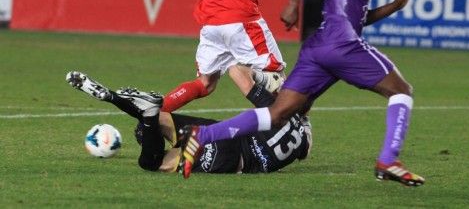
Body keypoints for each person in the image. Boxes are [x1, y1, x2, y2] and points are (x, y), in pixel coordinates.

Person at [179, 0, 425, 187]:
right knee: (401, 91)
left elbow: (359, 19)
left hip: (318, 50)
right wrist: (293, 3)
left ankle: (202, 136)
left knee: (277, 114)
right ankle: (389, 160)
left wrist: (395, 5)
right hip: (342, 45)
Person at [66, 71, 312, 174]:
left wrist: (259, 74)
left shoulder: (274, 108)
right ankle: (138, 108)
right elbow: (304, 149)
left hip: (222, 137)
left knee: (149, 142)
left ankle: (113, 97)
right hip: (228, 158)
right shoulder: (303, 139)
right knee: (149, 150)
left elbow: (239, 74)